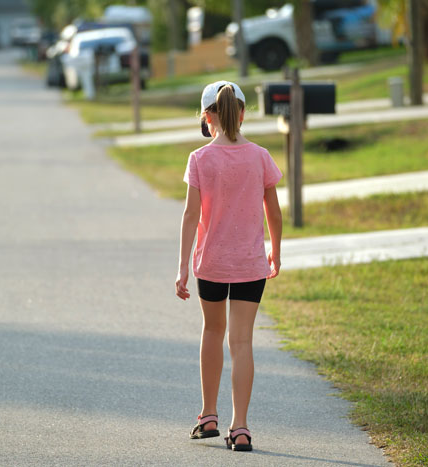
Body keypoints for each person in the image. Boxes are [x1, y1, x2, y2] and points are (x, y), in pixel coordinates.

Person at [175, 80, 283, 452]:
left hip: (212, 264)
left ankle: (208, 416)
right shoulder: (260, 156)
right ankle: (240, 428)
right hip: (251, 264)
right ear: (241, 113)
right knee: (242, 342)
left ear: (208, 118)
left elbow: (191, 216)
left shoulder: (199, 159)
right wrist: (276, 252)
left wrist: (182, 267)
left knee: (212, 332)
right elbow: (274, 212)